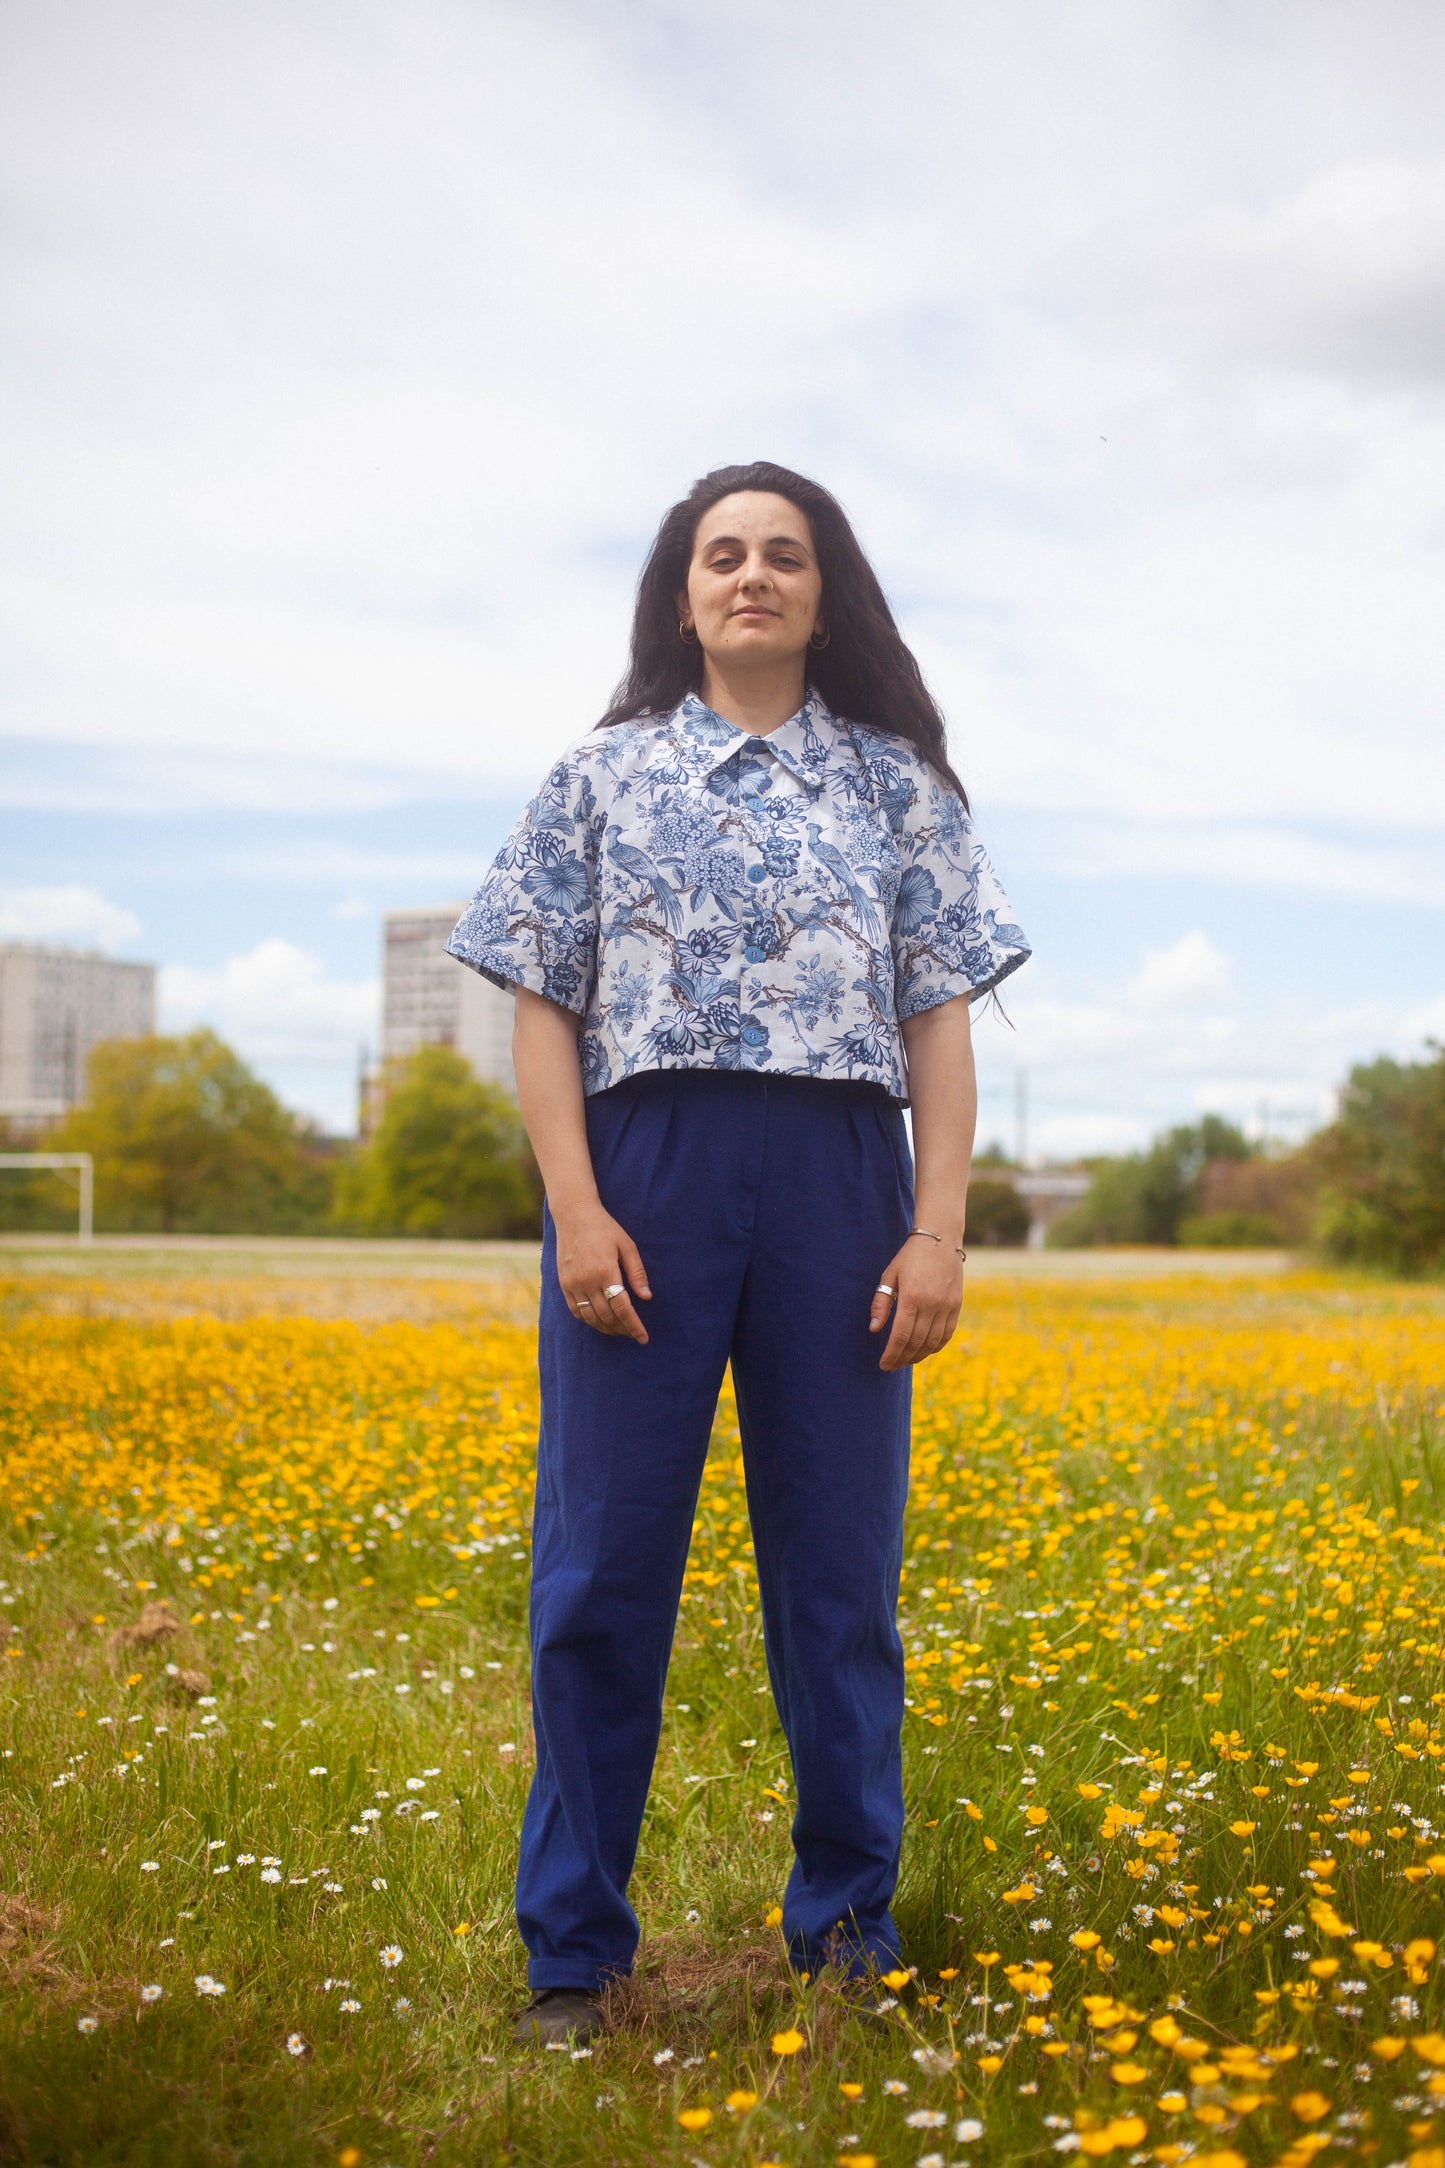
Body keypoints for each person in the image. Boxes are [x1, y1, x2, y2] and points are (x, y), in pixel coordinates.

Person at [447, 461, 1030, 2045]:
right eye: (722, 554)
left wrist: (936, 1229)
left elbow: (937, 1026)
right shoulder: (599, 778)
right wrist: (573, 1205)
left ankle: (847, 1931)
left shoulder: (898, 788)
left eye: (783, 554)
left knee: (839, 1581)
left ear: (823, 589)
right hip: (646, 1174)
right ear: (682, 589)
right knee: (596, 1573)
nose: (751, 576)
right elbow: (542, 1005)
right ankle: (572, 1952)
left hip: (846, 1176)